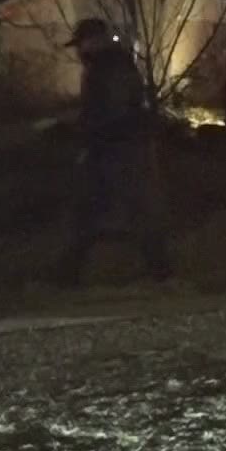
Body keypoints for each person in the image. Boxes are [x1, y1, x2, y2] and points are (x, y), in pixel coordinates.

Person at [57, 18, 172, 285]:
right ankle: (158, 270)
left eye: (81, 44)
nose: (79, 51)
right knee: (115, 209)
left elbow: (111, 112)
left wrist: (85, 135)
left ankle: (70, 274)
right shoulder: (113, 65)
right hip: (118, 147)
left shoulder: (107, 68)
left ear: (93, 41)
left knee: (106, 208)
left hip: (118, 150)